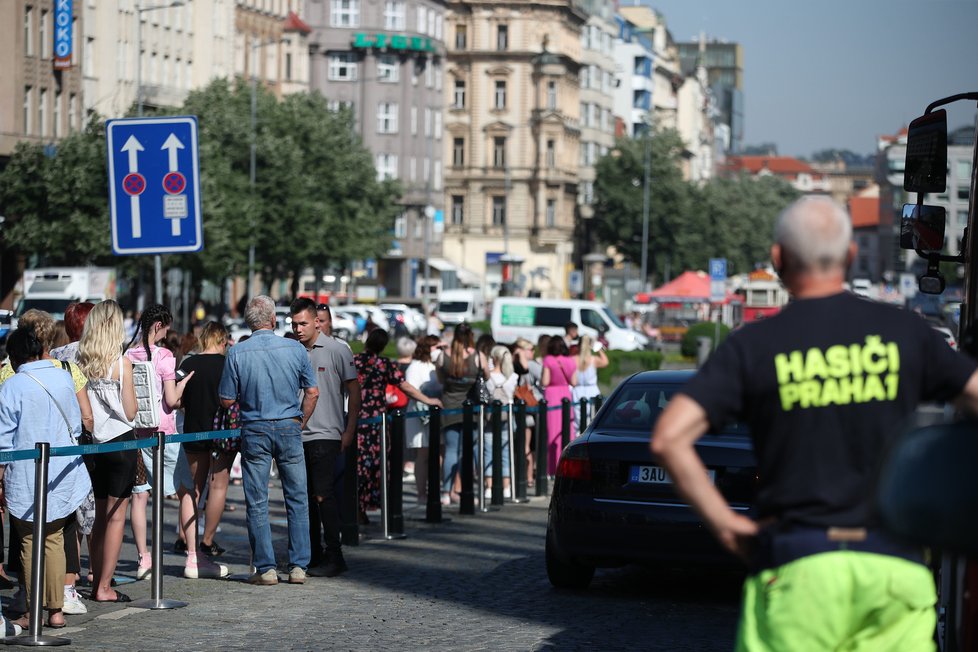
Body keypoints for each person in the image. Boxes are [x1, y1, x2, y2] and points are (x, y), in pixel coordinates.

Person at [650, 196, 978, 651]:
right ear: (848, 257)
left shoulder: (755, 345)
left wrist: (728, 527)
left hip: (798, 567)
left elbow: (669, 437)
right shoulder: (905, 332)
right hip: (894, 567)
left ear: (778, 259)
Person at [219, 295, 319, 586]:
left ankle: (266, 569)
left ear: (249, 322)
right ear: (274, 320)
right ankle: (299, 566)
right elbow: (312, 392)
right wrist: (300, 421)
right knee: (297, 499)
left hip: (255, 428)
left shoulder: (238, 353)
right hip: (289, 425)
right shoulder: (295, 349)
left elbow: (226, 400)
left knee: (257, 501)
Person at [1, 309, 94, 615]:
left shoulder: (13, 385)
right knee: (54, 538)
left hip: (27, 473)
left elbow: (3, 438)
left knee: (30, 541)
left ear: (15, 357)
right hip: (63, 470)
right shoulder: (65, 376)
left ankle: (31, 611)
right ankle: (55, 611)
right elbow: (81, 422)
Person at [125, 305, 219, 580]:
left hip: (137, 434)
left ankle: (143, 558)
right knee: (185, 492)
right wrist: (184, 382)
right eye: (165, 328)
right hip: (165, 434)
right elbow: (171, 400)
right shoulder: (164, 356)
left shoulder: (128, 356)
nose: (167, 334)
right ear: (158, 326)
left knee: (139, 496)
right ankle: (193, 556)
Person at [290, 299, 359, 578]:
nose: (298, 329)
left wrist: (349, 429)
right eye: (293, 324)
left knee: (323, 494)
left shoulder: (336, 350)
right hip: (296, 434)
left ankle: (335, 553)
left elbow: (354, 390)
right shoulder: (292, 351)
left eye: (303, 323)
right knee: (305, 498)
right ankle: (313, 554)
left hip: (326, 433)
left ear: (317, 322)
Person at [78, 301, 138, 603]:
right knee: (116, 518)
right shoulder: (121, 362)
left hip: (94, 445)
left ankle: (94, 579)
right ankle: (104, 586)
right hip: (121, 443)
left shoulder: (81, 359)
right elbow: (130, 411)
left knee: (99, 517)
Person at [353, 330, 441, 523]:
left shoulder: (353, 361)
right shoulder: (384, 364)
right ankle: (380, 507)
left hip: (355, 419)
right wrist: (428, 400)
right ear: (384, 346)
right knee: (378, 465)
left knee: (358, 466)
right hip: (377, 421)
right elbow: (405, 386)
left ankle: (357, 508)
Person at [178, 322, 236, 561]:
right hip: (221, 433)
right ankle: (207, 540)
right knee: (219, 486)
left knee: (194, 488)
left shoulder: (188, 364)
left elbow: (177, 399)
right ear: (222, 341)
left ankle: (186, 538)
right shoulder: (227, 365)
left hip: (193, 431)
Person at [436, 323, 486, 505]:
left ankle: (445, 492)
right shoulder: (478, 356)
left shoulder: (444, 356)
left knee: (450, 450)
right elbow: (485, 375)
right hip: (470, 407)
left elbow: (440, 379)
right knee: (468, 450)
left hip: (449, 405)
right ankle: (467, 491)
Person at [404, 336, 442, 504]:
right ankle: (421, 493)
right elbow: (411, 389)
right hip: (419, 414)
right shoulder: (415, 366)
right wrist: (427, 400)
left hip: (436, 413)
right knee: (423, 454)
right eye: (436, 347)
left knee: (439, 451)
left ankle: (436, 490)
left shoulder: (437, 365)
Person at [484, 345, 517, 498]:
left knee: (488, 451)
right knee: (506, 452)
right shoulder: (512, 377)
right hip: (507, 415)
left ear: (494, 358)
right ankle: (506, 486)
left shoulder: (488, 377)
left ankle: (488, 487)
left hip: (490, 417)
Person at [541, 336, 577, 476]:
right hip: (565, 395)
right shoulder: (570, 361)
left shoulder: (548, 360)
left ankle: (552, 468)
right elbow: (574, 382)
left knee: (551, 433)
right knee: (566, 432)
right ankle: (566, 466)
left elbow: (545, 381)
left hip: (551, 396)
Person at [572, 334, 608, 426]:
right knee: (593, 420)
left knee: (577, 422)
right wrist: (598, 349)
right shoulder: (593, 359)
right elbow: (605, 362)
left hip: (577, 391)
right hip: (592, 390)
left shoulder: (573, 359)